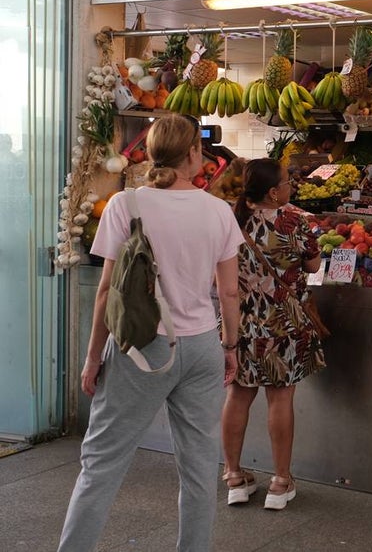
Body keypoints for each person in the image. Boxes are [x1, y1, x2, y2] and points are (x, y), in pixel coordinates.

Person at [59, 115, 244, 552]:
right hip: (201, 346)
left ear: (150, 153)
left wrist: (93, 357)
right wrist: (230, 346)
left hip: (140, 347)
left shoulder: (126, 205)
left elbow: (107, 291)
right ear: (194, 154)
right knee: (199, 469)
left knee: (101, 464)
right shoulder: (219, 210)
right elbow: (230, 291)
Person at [221, 158, 325, 510]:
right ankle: (280, 482)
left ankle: (234, 476)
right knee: (280, 399)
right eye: (286, 181)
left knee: (238, 397)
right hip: (284, 324)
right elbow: (313, 265)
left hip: (243, 323)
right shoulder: (294, 222)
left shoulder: (231, 220)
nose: (291, 185)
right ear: (273, 191)